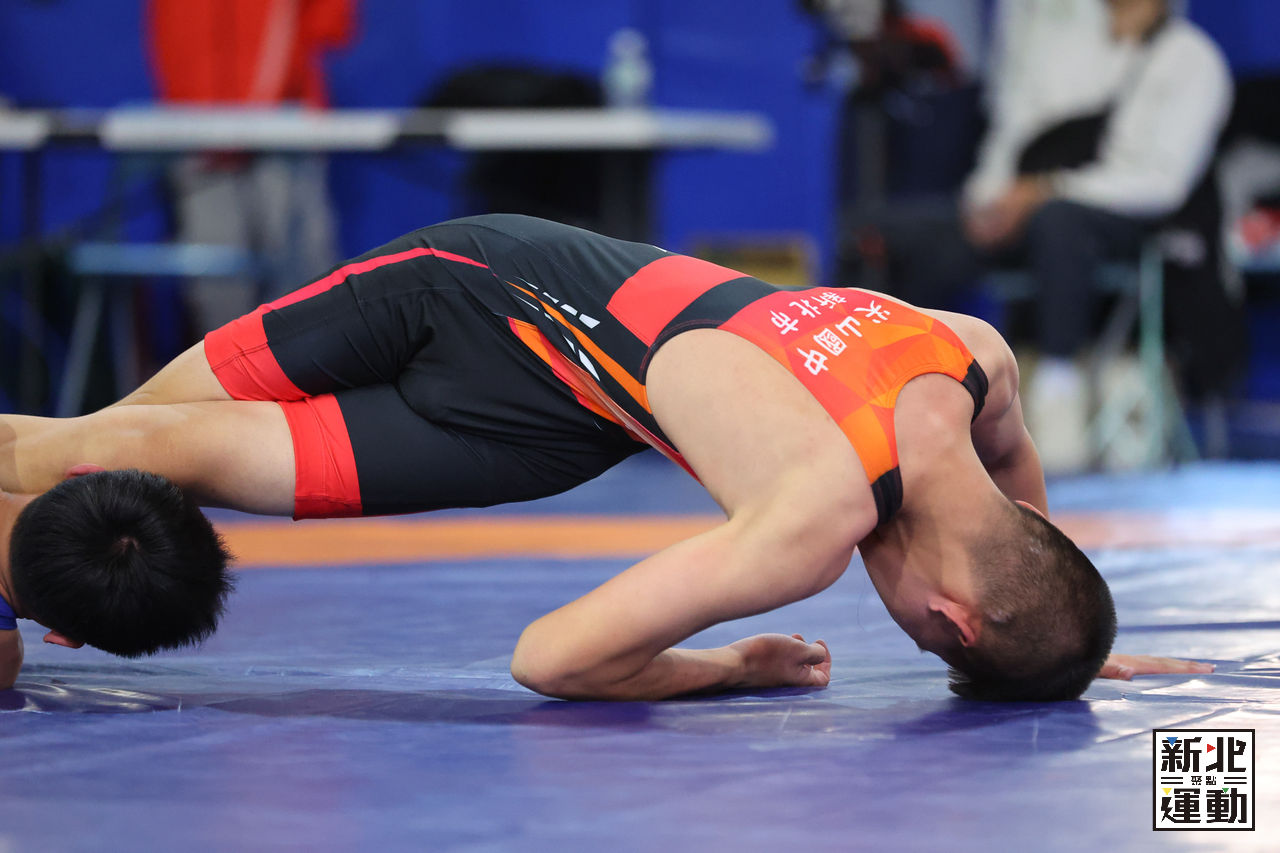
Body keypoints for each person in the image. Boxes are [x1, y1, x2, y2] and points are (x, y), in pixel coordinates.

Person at [0, 215, 1210, 697]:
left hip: (544, 425)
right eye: (930, 639)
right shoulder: (811, 516)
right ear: (947, 613)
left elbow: (1017, 491)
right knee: (110, 453)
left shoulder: (970, 353)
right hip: (469, 285)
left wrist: (1059, 636)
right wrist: (725, 669)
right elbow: (549, 658)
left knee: (136, 474)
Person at [879, 0, 1235, 472]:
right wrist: (990, 202)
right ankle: (893, 394)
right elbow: (1019, 134)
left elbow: (1160, 184)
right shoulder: (1080, 48)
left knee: (1060, 223)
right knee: (908, 234)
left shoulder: (1194, 60)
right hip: (1041, 205)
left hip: (1136, 221)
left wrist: (1046, 191)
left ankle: (1056, 394)